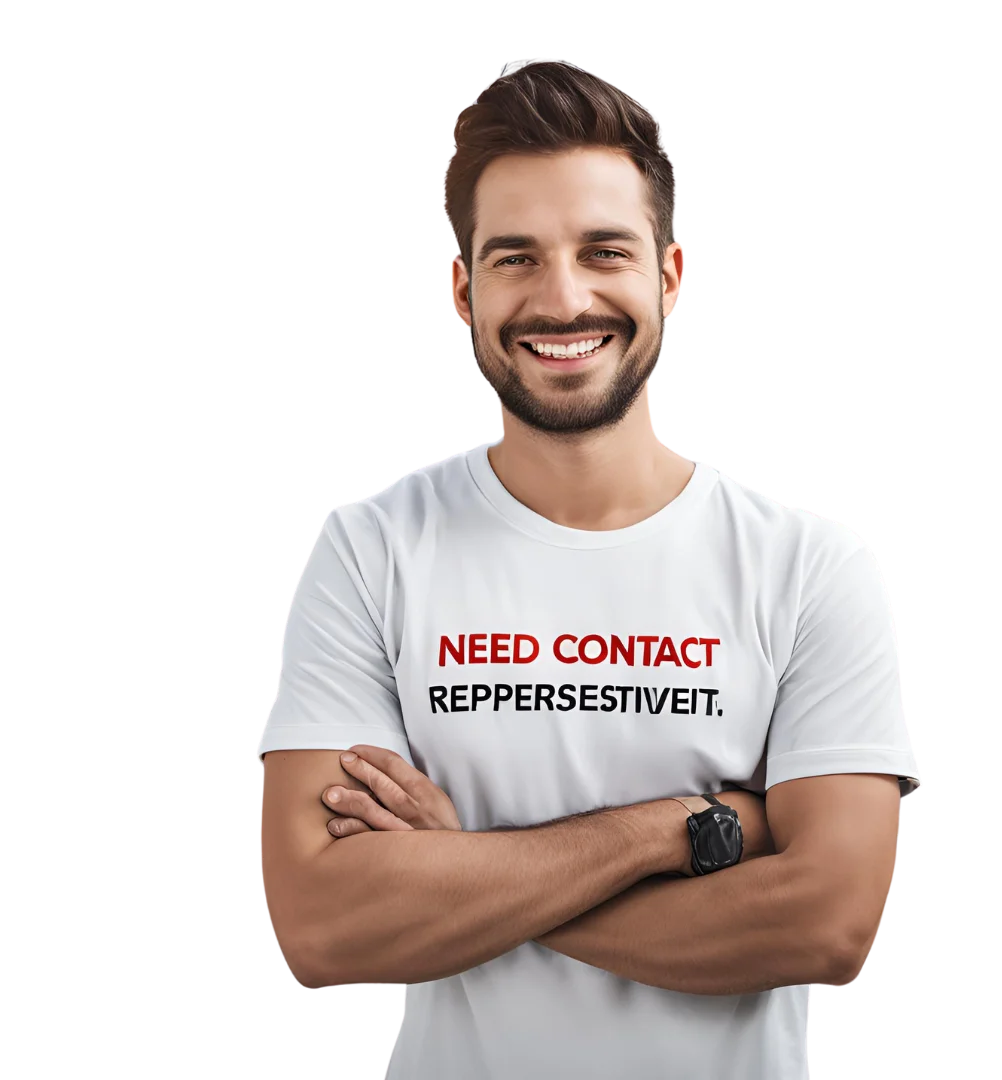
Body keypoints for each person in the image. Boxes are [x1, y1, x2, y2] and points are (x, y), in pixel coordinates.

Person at [258, 58, 920, 1079]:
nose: (563, 300)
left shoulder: (812, 565)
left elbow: (827, 924)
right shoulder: (368, 550)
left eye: (603, 251)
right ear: (463, 292)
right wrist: (679, 831)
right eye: (516, 258)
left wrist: (464, 861)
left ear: (670, 276)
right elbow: (326, 929)